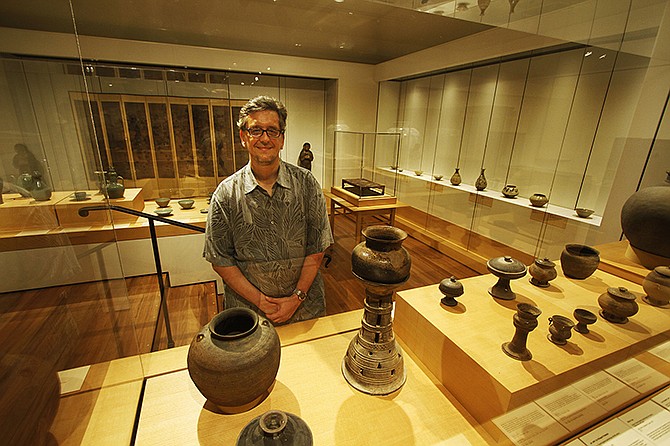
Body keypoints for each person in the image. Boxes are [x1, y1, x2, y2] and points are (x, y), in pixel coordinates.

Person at [203, 96, 333, 325]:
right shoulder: (225, 194)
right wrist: (261, 301)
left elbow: (317, 247)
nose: (265, 138)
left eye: (272, 131)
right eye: (256, 131)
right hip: (249, 313)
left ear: (282, 139)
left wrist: (296, 298)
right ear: (243, 137)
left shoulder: (307, 184)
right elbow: (220, 259)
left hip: (305, 308)